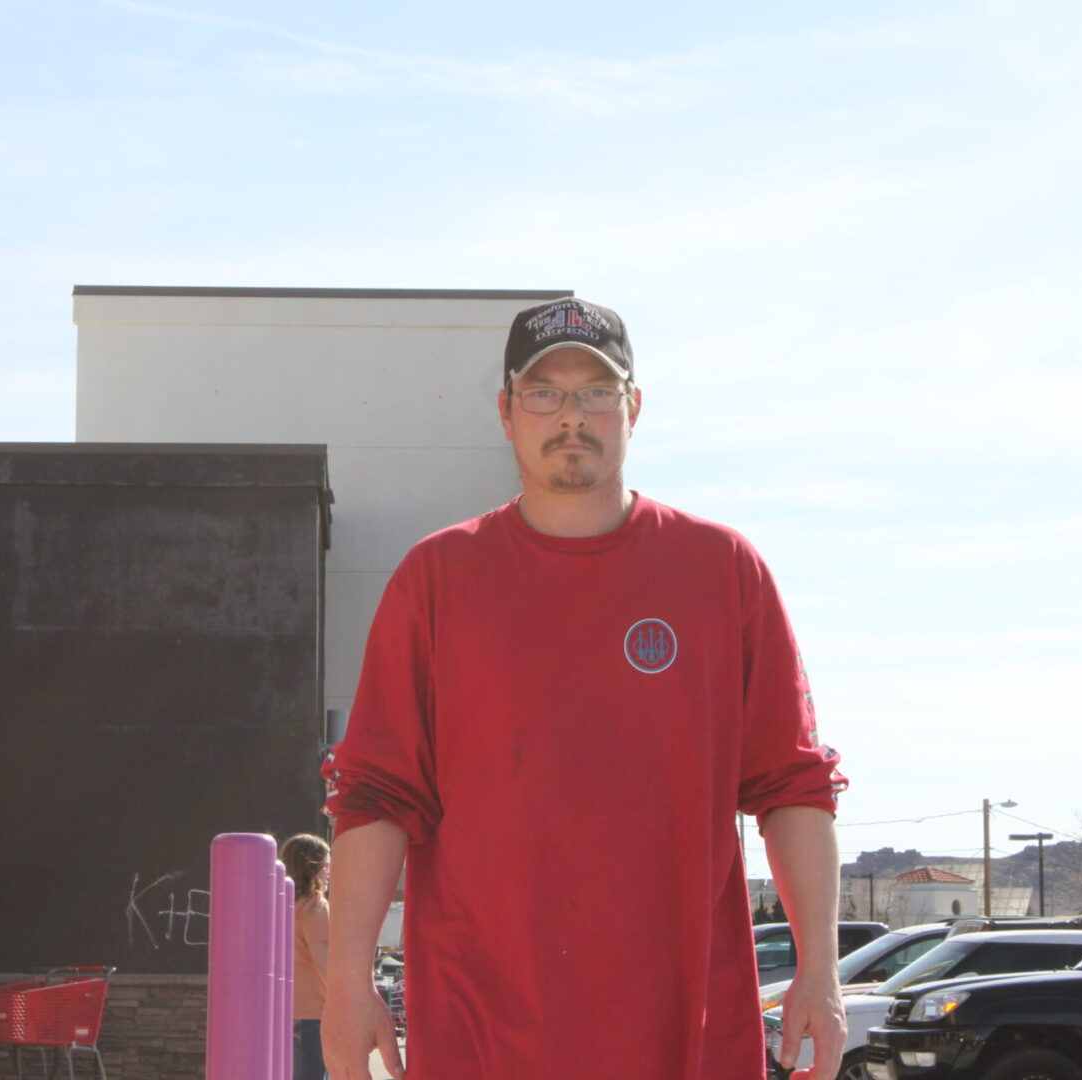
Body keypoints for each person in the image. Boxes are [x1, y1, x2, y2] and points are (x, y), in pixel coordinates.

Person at [319, 297, 849, 1080]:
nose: (571, 416)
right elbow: (374, 795)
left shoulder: (720, 570)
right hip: (483, 1034)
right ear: (506, 413)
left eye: (596, 392)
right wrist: (347, 981)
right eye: (544, 393)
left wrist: (820, 970)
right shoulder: (437, 579)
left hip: (682, 1030)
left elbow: (793, 783)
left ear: (633, 407)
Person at [282, 833, 333, 1080]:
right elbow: (323, 959)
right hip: (312, 1013)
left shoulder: (279, 902)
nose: (329, 871)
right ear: (313, 866)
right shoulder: (315, 906)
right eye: (326, 864)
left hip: (281, 1009)